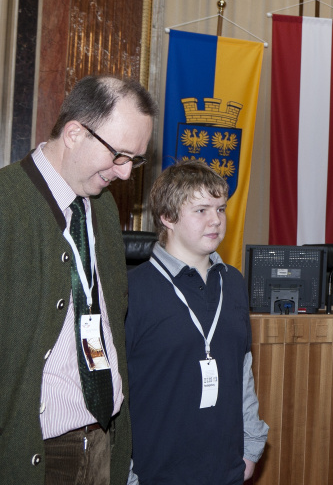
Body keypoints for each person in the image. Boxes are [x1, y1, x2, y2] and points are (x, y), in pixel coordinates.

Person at [0, 76, 157, 484]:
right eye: (119, 155)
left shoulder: (101, 210)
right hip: (31, 453)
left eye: (135, 160)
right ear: (74, 133)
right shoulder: (6, 206)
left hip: (102, 442)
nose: (125, 175)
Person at [125, 160, 268, 484]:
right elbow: (115, 395)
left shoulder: (232, 282)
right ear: (167, 217)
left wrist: (250, 448)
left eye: (220, 209)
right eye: (201, 210)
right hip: (155, 471)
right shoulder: (132, 290)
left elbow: (243, 371)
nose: (215, 221)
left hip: (226, 468)